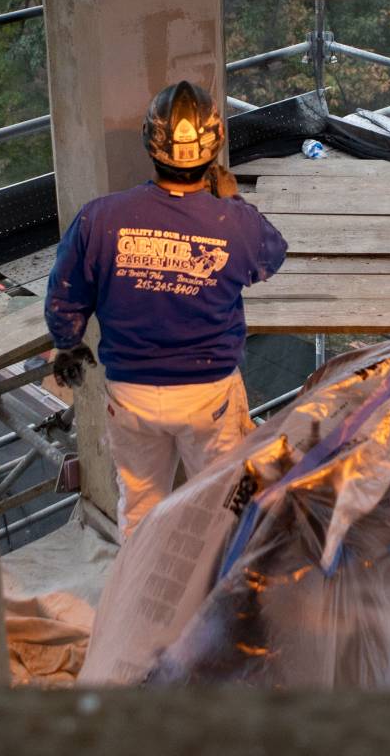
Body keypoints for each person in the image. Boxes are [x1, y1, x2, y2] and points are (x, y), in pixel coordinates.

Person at [44, 80, 287, 538]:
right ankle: (211, 579)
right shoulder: (234, 223)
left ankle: (142, 581)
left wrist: (68, 342)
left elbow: (64, 294)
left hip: (130, 394)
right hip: (208, 395)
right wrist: (231, 198)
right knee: (223, 509)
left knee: (139, 509)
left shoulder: (100, 218)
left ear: (150, 143)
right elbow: (272, 256)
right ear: (214, 148)